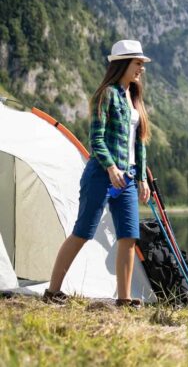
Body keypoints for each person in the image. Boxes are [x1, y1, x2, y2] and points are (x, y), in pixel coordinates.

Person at [44, 40, 152, 307]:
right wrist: (111, 167)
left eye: (141, 64)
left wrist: (141, 179)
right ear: (123, 63)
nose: (141, 68)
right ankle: (52, 291)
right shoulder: (106, 94)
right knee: (83, 232)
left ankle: (124, 299)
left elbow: (139, 143)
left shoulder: (133, 97)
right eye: (137, 63)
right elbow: (97, 139)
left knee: (129, 236)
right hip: (101, 175)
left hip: (127, 178)